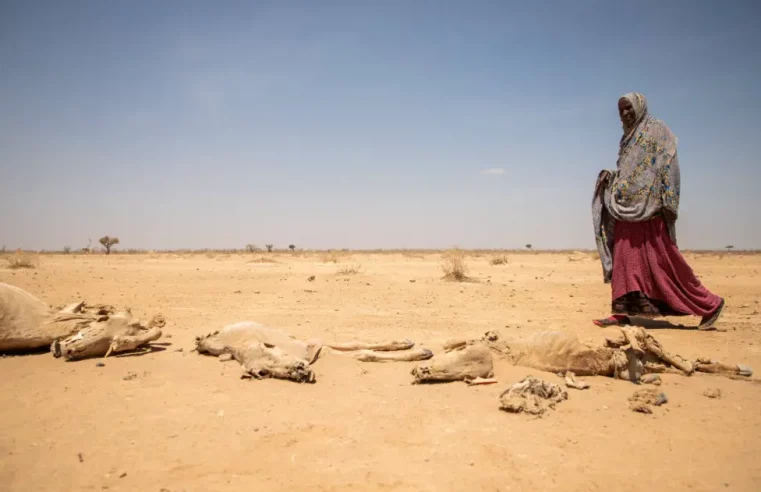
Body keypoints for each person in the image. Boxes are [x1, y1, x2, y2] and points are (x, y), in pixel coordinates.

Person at [592, 92, 724, 330]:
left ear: (640, 107)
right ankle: (621, 312)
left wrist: (668, 203)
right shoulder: (626, 139)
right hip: (625, 212)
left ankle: (711, 304)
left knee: (666, 263)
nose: (624, 113)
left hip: (651, 212)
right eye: (621, 110)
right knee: (624, 262)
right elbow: (628, 174)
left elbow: (670, 167)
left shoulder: (657, 131)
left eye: (628, 108)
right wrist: (610, 179)